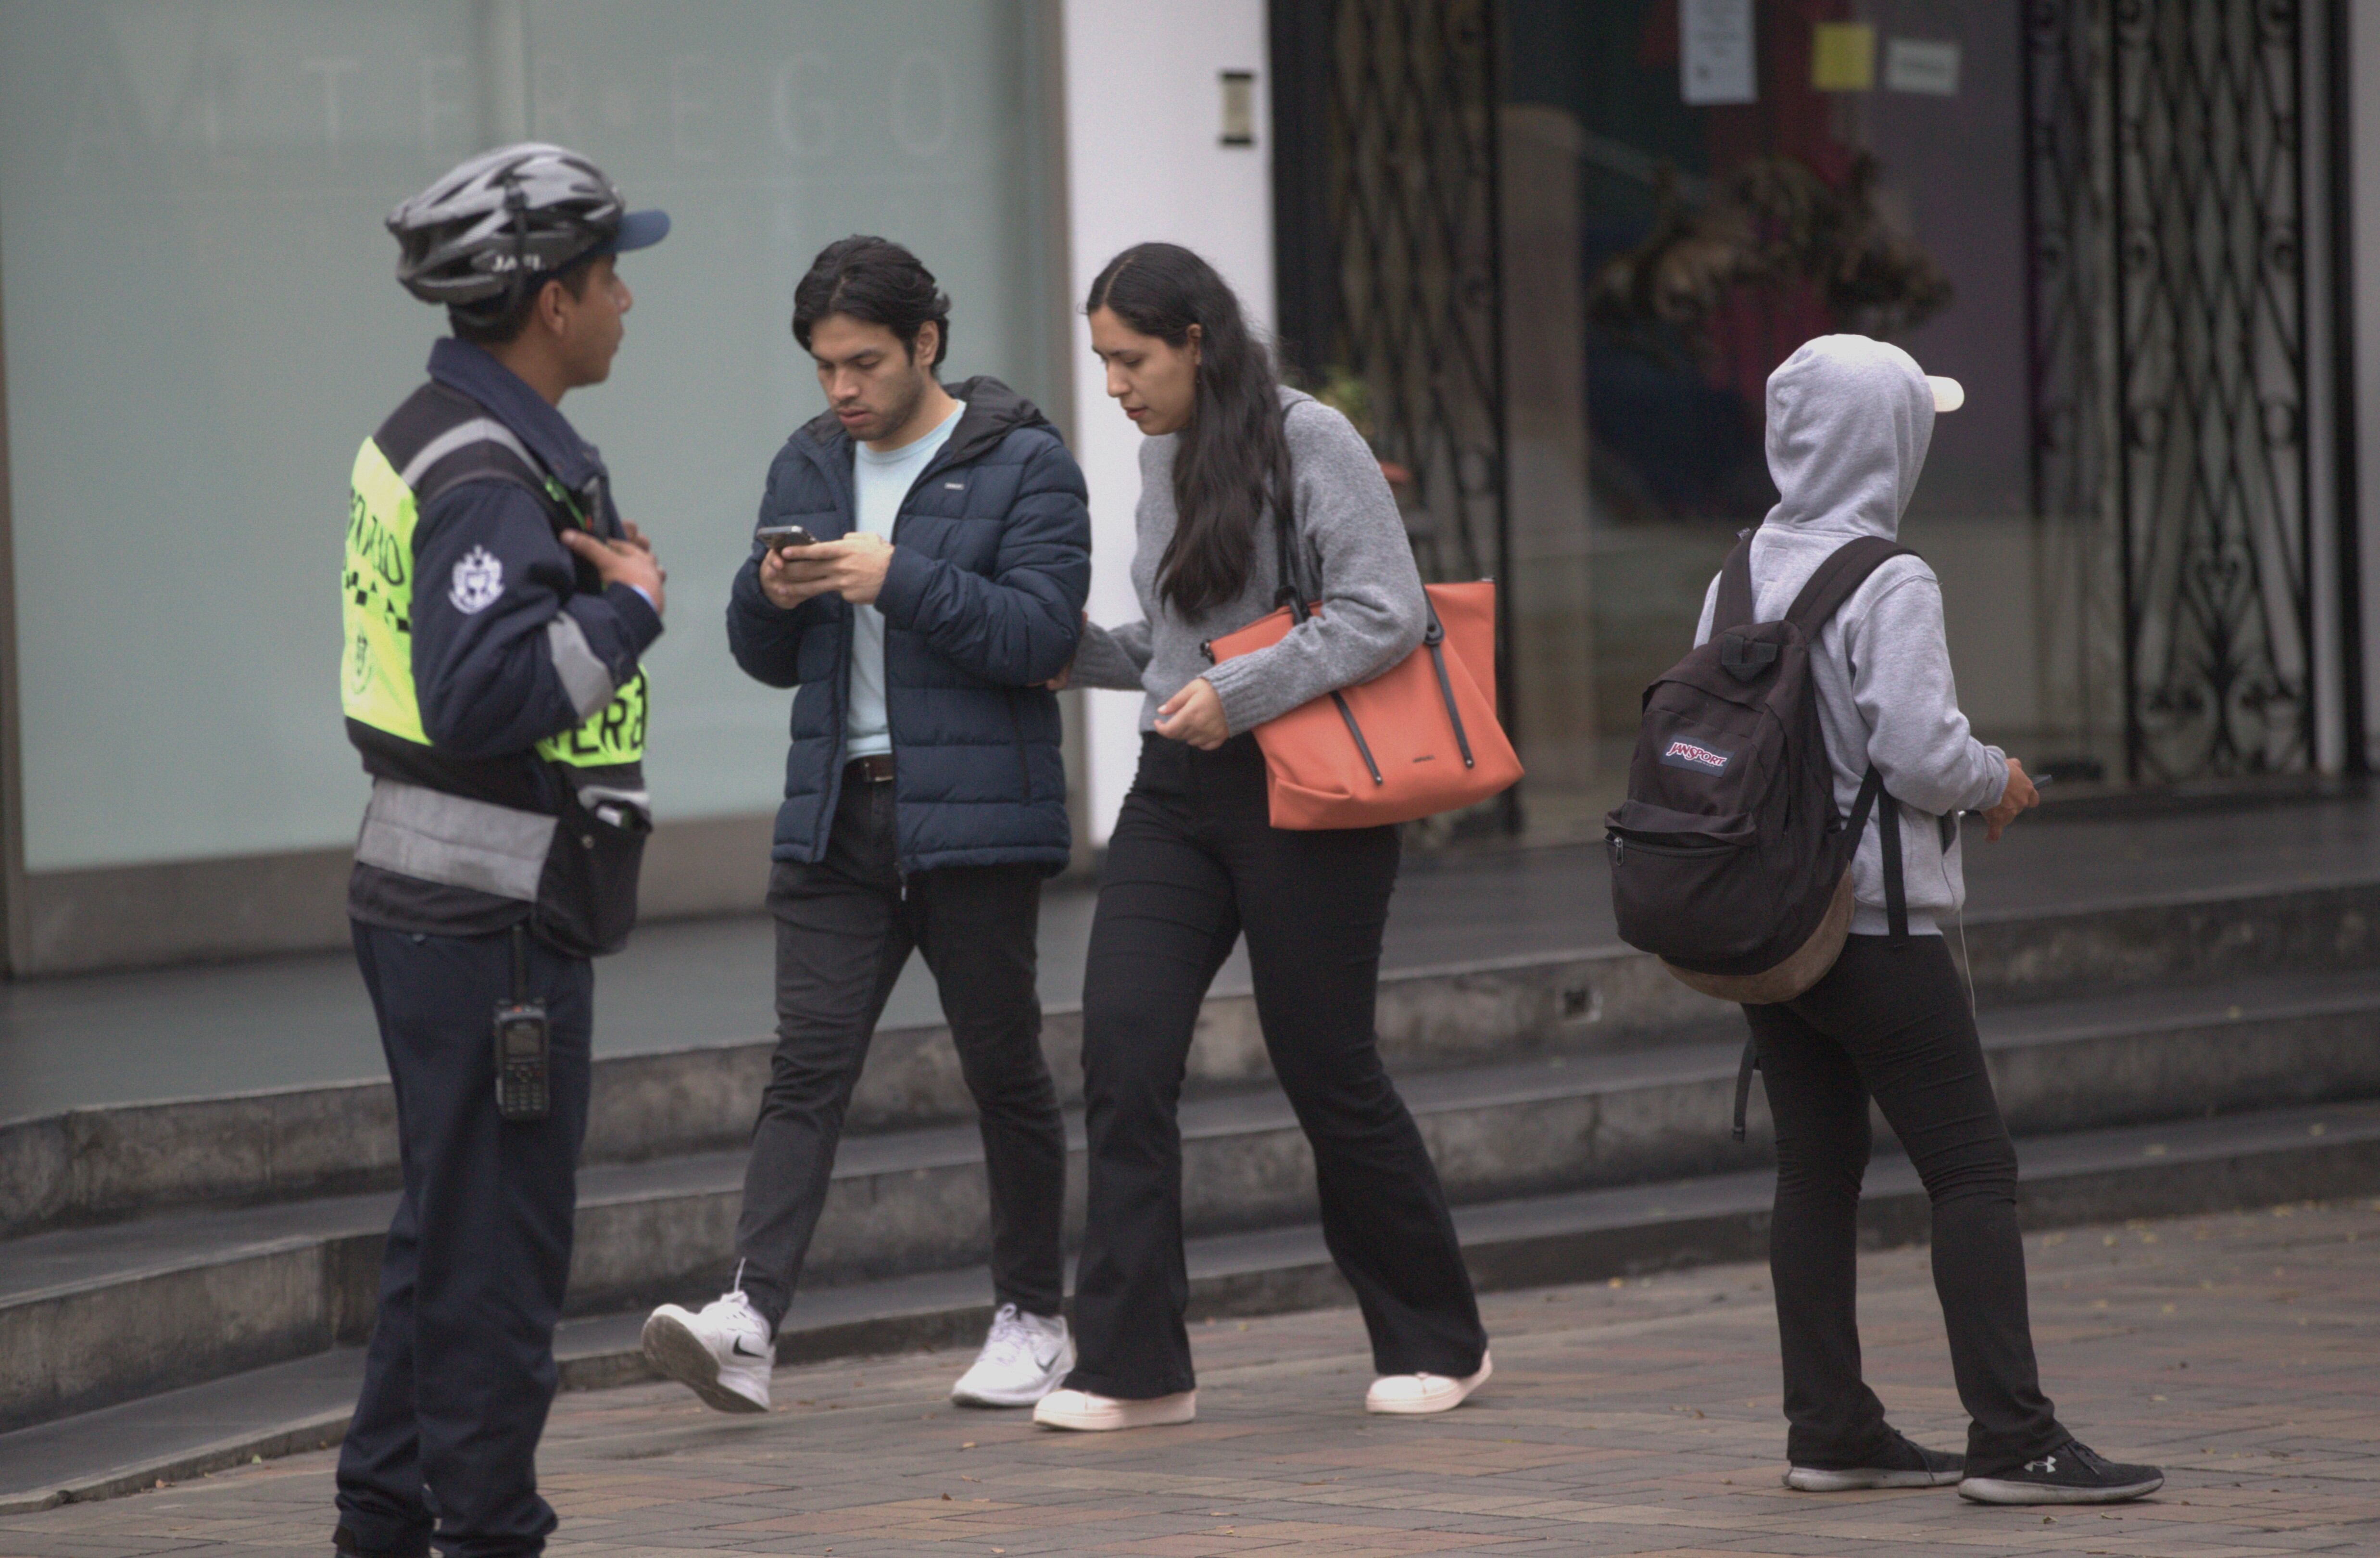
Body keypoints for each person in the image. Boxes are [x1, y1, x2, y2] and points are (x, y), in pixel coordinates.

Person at [1030, 242, 1490, 1433]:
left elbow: (1386, 613)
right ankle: (1134, 1368)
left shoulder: (1312, 439)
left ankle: (1440, 1338)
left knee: (1327, 1068)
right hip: (1176, 795)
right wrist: (1074, 652)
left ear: (1196, 341)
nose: (1117, 384)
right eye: (1102, 362)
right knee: (1124, 1054)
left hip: (1308, 799)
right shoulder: (1159, 456)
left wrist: (1236, 698)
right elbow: (1187, 642)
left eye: (1131, 359)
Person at [1700, 334, 2161, 1505]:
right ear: (1884, 440)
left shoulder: (1741, 569)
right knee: (1972, 1168)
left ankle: (1831, 1431)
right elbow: (1916, 754)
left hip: (1774, 927)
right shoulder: (1889, 578)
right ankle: (2016, 1440)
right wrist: (1996, 773)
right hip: (1879, 927)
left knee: (1818, 1169)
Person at [640, 237, 1089, 1415]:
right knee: (808, 1068)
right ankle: (746, 1321)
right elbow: (765, 658)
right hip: (838, 812)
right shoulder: (808, 459)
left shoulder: (1026, 464)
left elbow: (1042, 637)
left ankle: (1035, 1317)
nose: (841, 389)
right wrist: (764, 596)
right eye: (825, 366)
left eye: (864, 363)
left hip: (976, 817)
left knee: (1002, 1070)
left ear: (927, 345)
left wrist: (898, 578)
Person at [335, 143, 671, 1558]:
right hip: (493, 925)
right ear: (548, 302)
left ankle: (383, 1521)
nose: (624, 306)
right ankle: (484, 1533)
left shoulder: (435, 429)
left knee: (446, 1238)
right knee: (495, 1267)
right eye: (609, 279)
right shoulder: (484, 471)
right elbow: (481, 694)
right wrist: (629, 607)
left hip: (448, 907)